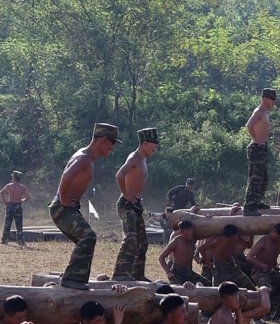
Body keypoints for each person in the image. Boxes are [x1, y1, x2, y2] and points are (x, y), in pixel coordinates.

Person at [49, 123, 119, 290]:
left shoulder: (86, 157)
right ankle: (72, 279)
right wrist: (64, 199)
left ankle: (74, 276)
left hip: (68, 207)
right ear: (103, 140)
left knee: (85, 241)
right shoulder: (84, 158)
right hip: (63, 207)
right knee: (88, 237)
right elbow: (66, 176)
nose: (112, 148)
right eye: (112, 143)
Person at [113, 128, 159, 281]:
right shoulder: (134, 158)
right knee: (131, 239)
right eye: (154, 144)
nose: (156, 148)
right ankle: (120, 274)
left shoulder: (143, 159)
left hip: (136, 205)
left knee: (142, 242)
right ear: (145, 143)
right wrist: (126, 194)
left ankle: (138, 275)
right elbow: (120, 175)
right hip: (126, 204)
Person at [246, 223, 280, 319]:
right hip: (260, 272)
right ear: (273, 231)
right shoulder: (264, 241)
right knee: (265, 290)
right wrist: (262, 265)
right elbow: (249, 257)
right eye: (277, 236)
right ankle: (258, 315)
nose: (278, 239)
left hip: (271, 271)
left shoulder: (279, 239)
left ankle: (279, 314)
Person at [243, 88, 277, 216]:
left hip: (262, 148)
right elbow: (249, 125)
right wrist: (255, 139)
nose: (273, 102)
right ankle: (250, 207)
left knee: (264, 178)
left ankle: (257, 201)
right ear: (265, 99)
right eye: (272, 99)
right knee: (255, 178)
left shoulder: (265, 112)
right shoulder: (259, 111)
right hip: (256, 147)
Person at [198, 224, 256, 289]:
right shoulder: (217, 240)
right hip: (220, 268)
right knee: (218, 292)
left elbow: (248, 245)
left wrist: (252, 235)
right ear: (228, 237)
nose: (235, 239)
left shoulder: (236, 238)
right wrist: (210, 267)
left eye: (236, 237)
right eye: (233, 237)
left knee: (250, 288)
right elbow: (201, 248)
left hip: (233, 267)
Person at [157, 220, 209, 286]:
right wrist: (168, 272)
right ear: (181, 231)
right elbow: (161, 258)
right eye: (188, 231)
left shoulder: (193, 240)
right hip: (177, 272)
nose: (190, 233)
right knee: (181, 289)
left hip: (189, 272)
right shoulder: (176, 241)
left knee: (207, 284)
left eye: (191, 231)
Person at [0, 171, 30, 245]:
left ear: (13, 178)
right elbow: (28, 196)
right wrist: (22, 200)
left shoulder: (9, 185)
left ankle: (4, 240)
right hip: (18, 206)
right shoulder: (22, 187)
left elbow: (1, 192)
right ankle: (20, 241)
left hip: (10, 206)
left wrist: (5, 201)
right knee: (19, 224)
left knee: (7, 223)